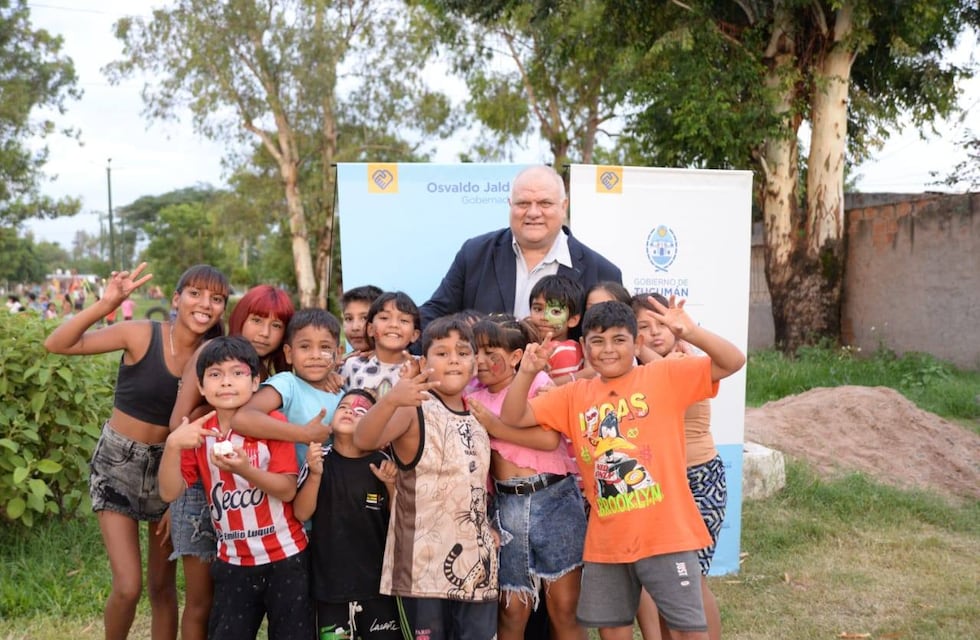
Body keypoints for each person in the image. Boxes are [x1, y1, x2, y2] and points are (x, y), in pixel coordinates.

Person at [498, 299, 745, 640]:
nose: (608, 349)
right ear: (584, 346)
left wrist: (692, 332)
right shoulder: (573, 395)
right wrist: (527, 372)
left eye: (619, 339)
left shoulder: (664, 375)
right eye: (597, 341)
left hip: (666, 537)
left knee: (686, 627)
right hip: (607, 543)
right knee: (612, 628)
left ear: (637, 343)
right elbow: (513, 417)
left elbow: (733, 361)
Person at [44, 263, 229, 640]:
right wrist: (107, 302)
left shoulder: (215, 360)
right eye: (195, 293)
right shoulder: (141, 334)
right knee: (128, 586)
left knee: (162, 587)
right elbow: (57, 344)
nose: (205, 304)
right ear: (176, 299)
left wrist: (179, 497)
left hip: (171, 472)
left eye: (217, 298)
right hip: (117, 465)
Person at [354, 315, 499, 640]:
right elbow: (363, 440)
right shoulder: (413, 407)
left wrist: (487, 527)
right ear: (423, 362)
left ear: (475, 363)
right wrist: (391, 399)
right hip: (422, 571)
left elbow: (474, 485)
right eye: (442, 353)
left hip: (477, 569)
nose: (453, 360)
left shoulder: (478, 418)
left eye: (462, 352)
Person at [159, 336, 313, 640]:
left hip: (286, 558)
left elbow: (286, 490)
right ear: (201, 387)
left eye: (238, 373)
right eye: (215, 375)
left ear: (256, 382)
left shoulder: (272, 422)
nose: (226, 382)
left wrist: (244, 469)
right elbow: (169, 492)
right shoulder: (198, 433)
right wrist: (173, 445)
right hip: (233, 562)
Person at [465, 316, 586, 640]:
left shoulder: (536, 383)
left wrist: (494, 426)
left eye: (490, 352)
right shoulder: (470, 396)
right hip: (506, 509)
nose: (480, 361)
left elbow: (548, 440)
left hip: (555, 500)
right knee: (511, 609)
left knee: (563, 607)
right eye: (474, 351)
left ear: (517, 357)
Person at [419, 165, 622, 328]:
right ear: (510, 205)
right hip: (482, 379)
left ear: (563, 206)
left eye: (544, 203)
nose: (533, 213)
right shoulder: (475, 254)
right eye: (523, 203)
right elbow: (434, 315)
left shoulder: (602, 272)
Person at [631, 294, 726, 640]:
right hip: (659, 485)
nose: (655, 333)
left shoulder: (686, 361)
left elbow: (664, 376)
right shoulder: (639, 370)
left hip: (699, 480)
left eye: (662, 323)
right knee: (668, 586)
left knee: (691, 581)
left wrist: (636, 346)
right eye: (643, 326)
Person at [293, 389, 402, 639]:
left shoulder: (384, 462)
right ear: (331, 420)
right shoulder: (319, 459)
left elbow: (400, 518)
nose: (351, 411)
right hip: (330, 587)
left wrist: (390, 484)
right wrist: (315, 474)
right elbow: (301, 513)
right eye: (343, 407)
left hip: (379, 586)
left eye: (362, 410)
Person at [232, 308, 341, 468]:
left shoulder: (342, 394)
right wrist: (304, 434)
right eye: (305, 347)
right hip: (284, 486)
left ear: (337, 354)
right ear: (289, 353)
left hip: (325, 489)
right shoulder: (287, 385)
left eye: (325, 347)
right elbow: (242, 418)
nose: (315, 355)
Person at [340, 291, 420, 398]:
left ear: (414, 335)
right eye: (384, 318)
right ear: (370, 329)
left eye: (404, 320)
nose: (394, 325)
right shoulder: (351, 365)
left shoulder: (422, 366)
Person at [527, 275, 585, 385]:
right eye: (538, 309)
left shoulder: (564, 351)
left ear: (573, 320)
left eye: (555, 312)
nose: (544, 317)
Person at [341, 284, 383, 356]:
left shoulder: (403, 363)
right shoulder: (345, 364)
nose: (355, 327)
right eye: (349, 319)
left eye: (364, 318)